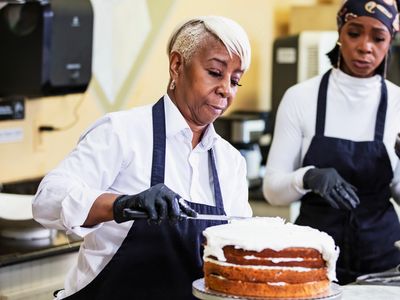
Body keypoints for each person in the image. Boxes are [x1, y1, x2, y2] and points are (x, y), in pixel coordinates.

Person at [32, 16, 252, 299]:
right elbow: (47, 200)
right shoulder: (121, 133)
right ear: (176, 65)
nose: (226, 90)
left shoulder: (230, 162)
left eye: (235, 80)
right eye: (214, 72)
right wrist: (123, 204)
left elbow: (239, 254)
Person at [263, 0, 400, 284]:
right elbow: (272, 191)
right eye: (355, 33)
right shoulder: (300, 98)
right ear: (340, 32)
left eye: (378, 37)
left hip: (382, 260)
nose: (365, 46)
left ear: (390, 41)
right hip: (312, 258)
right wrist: (309, 177)